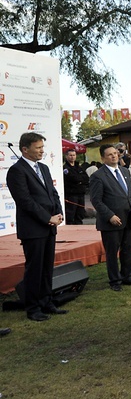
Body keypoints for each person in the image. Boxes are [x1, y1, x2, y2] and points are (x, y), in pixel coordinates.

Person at [6, 132, 66, 321]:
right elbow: (25, 201)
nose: (42, 151)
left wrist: (58, 212)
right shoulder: (17, 171)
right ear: (25, 149)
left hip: (49, 226)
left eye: (42, 147)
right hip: (33, 228)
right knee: (35, 269)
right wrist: (48, 218)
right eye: (38, 147)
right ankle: (33, 308)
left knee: (47, 267)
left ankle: (47, 301)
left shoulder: (44, 168)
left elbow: (53, 193)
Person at [89, 144, 131, 291]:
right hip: (111, 221)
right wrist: (109, 215)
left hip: (128, 217)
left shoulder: (124, 171)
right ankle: (115, 281)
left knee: (128, 249)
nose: (114, 156)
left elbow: (128, 194)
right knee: (112, 252)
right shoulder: (98, 176)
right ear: (102, 158)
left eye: (115, 153)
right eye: (110, 154)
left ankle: (127, 276)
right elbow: (96, 200)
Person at [62, 148, 89, 225]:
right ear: (66, 156)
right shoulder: (65, 168)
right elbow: (73, 178)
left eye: (74, 155)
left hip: (81, 193)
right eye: (70, 155)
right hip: (71, 195)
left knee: (80, 214)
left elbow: (86, 178)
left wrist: (80, 180)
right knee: (70, 214)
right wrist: (79, 180)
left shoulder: (79, 167)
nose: (72, 157)